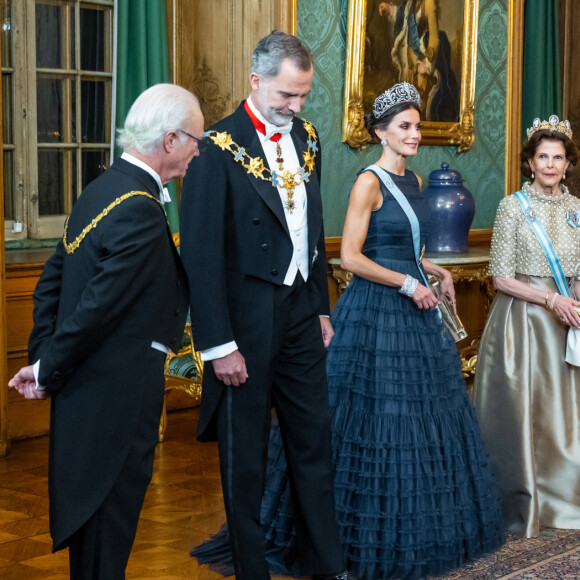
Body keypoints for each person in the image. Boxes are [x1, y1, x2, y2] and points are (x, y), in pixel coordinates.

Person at [190, 82, 505, 580]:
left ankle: (418, 534)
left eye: (418, 126)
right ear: (380, 132)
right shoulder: (369, 181)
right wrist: (406, 283)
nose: (415, 135)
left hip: (416, 316)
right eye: (404, 127)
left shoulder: (417, 183)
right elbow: (351, 256)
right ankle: (344, 548)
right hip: (377, 318)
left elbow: (402, 245)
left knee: (422, 427)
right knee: (376, 426)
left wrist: (432, 269)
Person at [179, 31, 357, 580]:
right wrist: (218, 345)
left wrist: (322, 309)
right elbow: (201, 255)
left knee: (313, 444)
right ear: (256, 82)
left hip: (301, 315)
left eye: (303, 95)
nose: (296, 107)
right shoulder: (214, 148)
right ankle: (251, 572)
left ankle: (325, 567)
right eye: (286, 95)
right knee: (245, 460)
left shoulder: (307, 138)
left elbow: (312, 229)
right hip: (243, 326)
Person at [8, 83, 202, 579]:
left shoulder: (102, 187)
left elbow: (51, 282)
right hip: (116, 399)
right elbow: (98, 308)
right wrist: (47, 366)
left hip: (85, 396)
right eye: (195, 141)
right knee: (106, 534)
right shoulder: (138, 205)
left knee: (93, 536)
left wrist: (42, 360)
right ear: (171, 139)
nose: (197, 152)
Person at [474, 115, 580, 538]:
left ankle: (563, 494)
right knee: (526, 414)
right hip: (523, 321)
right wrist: (551, 299)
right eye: (543, 157)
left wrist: (573, 297)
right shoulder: (512, 207)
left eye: (558, 157)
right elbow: (500, 277)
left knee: (564, 412)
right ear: (530, 163)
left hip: (566, 319)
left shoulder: (576, 209)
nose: (551, 165)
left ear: (568, 164)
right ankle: (525, 499)